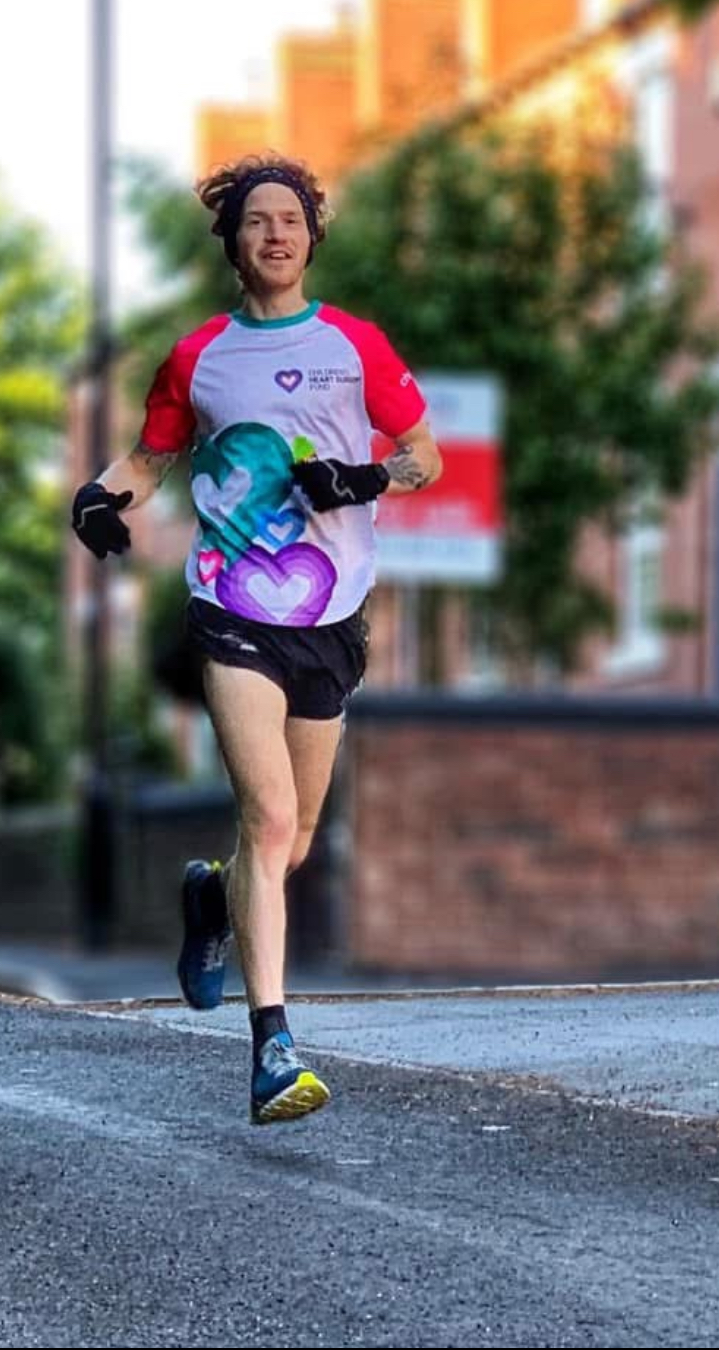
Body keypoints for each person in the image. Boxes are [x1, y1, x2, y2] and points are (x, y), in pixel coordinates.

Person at [70, 153, 443, 1125]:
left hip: (330, 617)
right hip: (232, 611)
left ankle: (210, 898)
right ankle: (273, 1046)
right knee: (271, 819)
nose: (274, 234)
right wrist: (100, 495)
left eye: (290, 219)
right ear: (232, 244)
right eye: (255, 221)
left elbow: (424, 455)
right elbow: (151, 457)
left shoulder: (356, 345)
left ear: (312, 236)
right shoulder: (198, 358)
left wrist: (361, 482)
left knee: (294, 840)